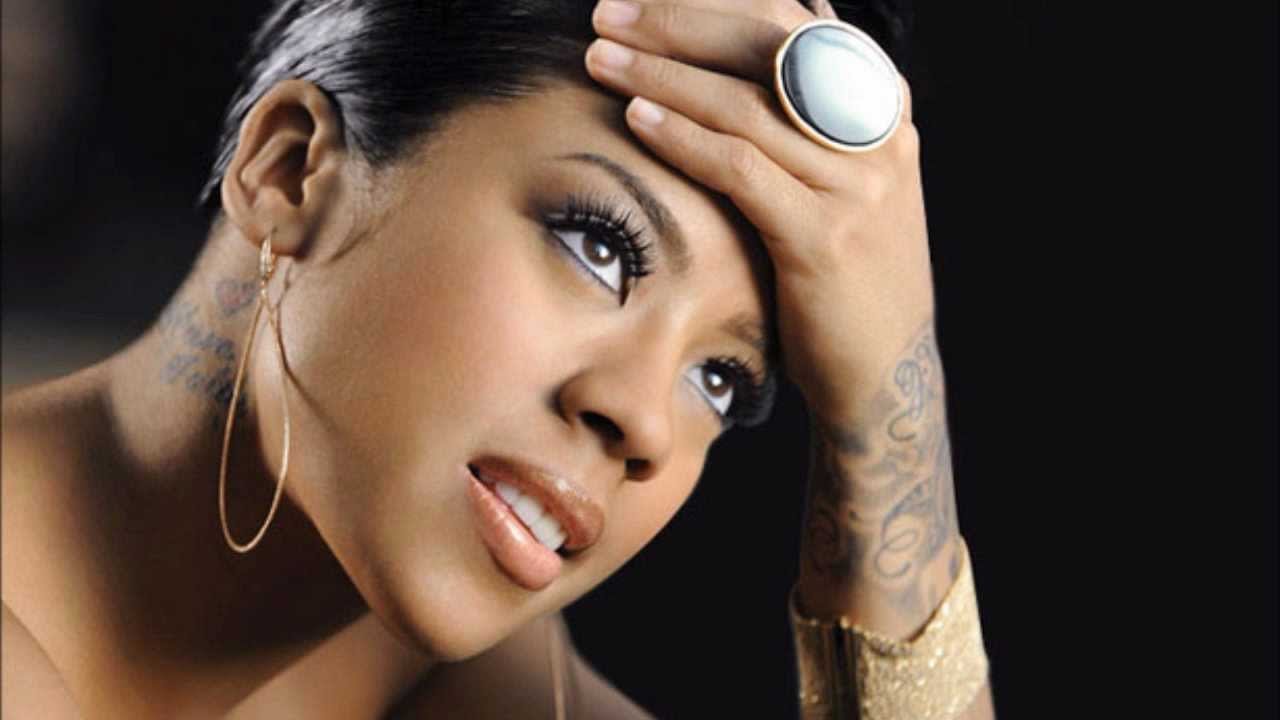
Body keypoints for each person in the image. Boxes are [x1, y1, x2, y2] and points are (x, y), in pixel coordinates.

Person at [1, 0, 995, 717]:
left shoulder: (473, 684)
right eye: (598, 246)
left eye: (721, 379)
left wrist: (886, 402)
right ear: (290, 169)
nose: (645, 423)